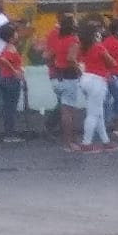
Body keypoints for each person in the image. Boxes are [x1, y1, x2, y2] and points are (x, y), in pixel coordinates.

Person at [44, 13, 81, 150]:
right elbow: (71, 59)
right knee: (69, 112)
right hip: (69, 77)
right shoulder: (73, 40)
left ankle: (68, 142)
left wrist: (53, 68)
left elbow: (47, 56)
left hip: (57, 76)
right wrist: (80, 71)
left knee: (65, 110)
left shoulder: (59, 39)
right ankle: (71, 142)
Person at [78, 26, 118, 153]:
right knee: (93, 114)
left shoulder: (84, 48)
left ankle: (105, 140)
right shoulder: (99, 47)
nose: (100, 35)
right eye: (98, 33)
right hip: (97, 80)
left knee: (98, 111)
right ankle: (86, 143)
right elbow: (112, 63)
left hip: (86, 78)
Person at [0, 25, 26, 143]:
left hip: (6, 78)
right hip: (11, 80)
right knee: (11, 108)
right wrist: (15, 71)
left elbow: (1, 60)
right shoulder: (10, 48)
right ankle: (10, 134)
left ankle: (9, 133)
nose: (17, 34)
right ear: (11, 37)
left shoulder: (8, 47)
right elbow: (2, 59)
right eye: (15, 33)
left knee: (8, 107)